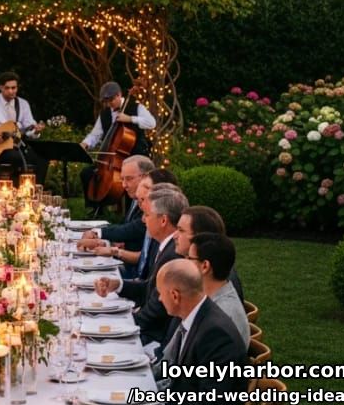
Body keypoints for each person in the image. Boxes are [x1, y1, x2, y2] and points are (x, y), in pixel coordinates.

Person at [155, 259, 247, 405]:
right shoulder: (197, 316)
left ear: (175, 295)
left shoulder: (215, 335)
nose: (159, 298)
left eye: (161, 293)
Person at [95, 184, 187, 345]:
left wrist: (123, 325)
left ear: (163, 220)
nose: (143, 220)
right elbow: (150, 288)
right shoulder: (162, 245)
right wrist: (118, 285)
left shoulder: (173, 253)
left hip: (155, 337)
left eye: (147, 214)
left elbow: (156, 311)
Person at [80, 81, 156, 215]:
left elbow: (152, 123)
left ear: (119, 95)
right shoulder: (104, 114)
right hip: (113, 159)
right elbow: (95, 134)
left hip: (134, 154)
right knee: (87, 173)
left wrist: (131, 119)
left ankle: (131, 213)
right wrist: (85, 144)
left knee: (131, 178)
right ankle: (96, 207)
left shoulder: (136, 107)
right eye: (106, 101)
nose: (109, 104)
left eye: (111, 100)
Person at [188, 233, 251, 346]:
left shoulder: (222, 316)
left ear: (205, 266)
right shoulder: (211, 297)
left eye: (189, 258)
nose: (185, 263)